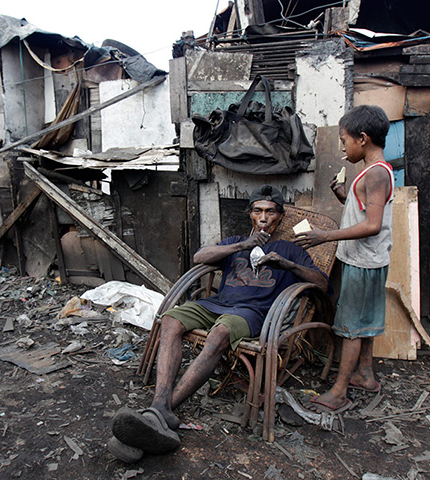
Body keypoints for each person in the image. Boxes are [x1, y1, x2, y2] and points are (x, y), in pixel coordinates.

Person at [109, 185, 329, 462]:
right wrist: (242, 246)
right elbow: (199, 258)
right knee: (171, 321)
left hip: (251, 313)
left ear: (280, 217)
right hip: (217, 304)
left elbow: (321, 283)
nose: (264, 217)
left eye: (270, 212)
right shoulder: (236, 241)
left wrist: (287, 265)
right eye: (258, 211)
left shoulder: (290, 250)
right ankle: (160, 409)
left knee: (219, 335)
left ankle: (159, 412)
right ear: (250, 215)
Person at [295, 105, 393, 413]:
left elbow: (372, 225)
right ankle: (364, 375)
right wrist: (343, 195)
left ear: (362, 139)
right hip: (365, 261)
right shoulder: (370, 171)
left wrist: (324, 236)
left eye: (344, 139)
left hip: (364, 263)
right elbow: (365, 211)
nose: (342, 147)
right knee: (363, 321)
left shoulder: (376, 173)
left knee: (350, 327)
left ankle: (338, 392)